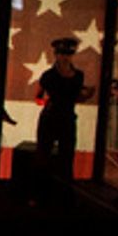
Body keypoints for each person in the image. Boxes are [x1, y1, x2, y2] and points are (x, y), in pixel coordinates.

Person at [33, 36, 95, 191]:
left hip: (67, 119)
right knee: (43, 158)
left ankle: (63, 193)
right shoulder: (48, 76)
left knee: (66, 159)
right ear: (56, 55)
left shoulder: (79, 76)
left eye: (68, 54)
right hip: (50, 119)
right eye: (62, 54)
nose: (65, 57)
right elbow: (38, 97)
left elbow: (76, 98)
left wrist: (87, 96)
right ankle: (40, 192)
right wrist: (47, 103)